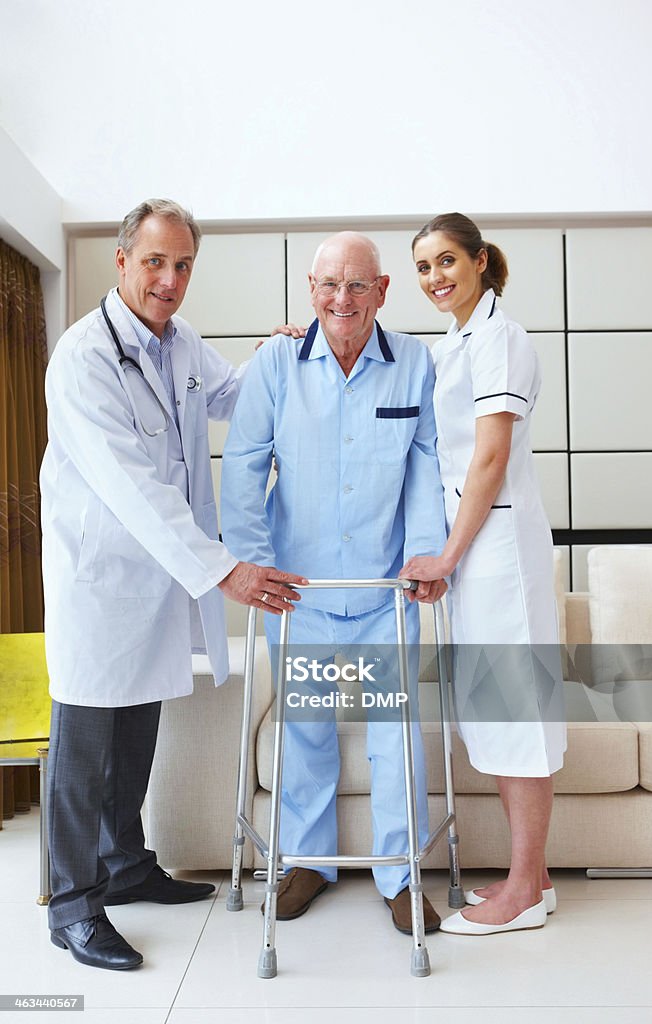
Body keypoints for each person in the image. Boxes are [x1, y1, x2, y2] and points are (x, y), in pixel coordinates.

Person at [40, 198, 306, 971]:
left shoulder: (180, 342)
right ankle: (72, 907)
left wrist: (278, 352)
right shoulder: (84, 357)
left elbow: (230, 397)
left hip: (156, 581)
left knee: (136, 735)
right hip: (103, 581)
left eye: (182, 264)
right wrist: (222, 566)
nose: (169, 278)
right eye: (154, 261)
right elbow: (129, 485)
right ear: (122, 260)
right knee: (84, 750)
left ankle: (126, 868)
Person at [221, 232, 447, 934]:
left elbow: (426, 467)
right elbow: (243, 465)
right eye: (327, 285)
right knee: (305, 734)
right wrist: (252, 563)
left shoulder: (414, 364)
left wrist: (424, 554)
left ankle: (402, 877)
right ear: (309, 290)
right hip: (302, 592)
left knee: (394, 738)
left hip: (385, 595)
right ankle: (306, 864)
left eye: (357, 286)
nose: (340, 300)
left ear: (382, 291)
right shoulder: (275, 366)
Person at [400, 212, 567, 935]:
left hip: (495, 548)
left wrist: (444, 555)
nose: (434, 277)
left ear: (476, 260)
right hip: (478, 551)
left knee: (515, 713)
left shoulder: (498, 336)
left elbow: (489, 459)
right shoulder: (458, 339)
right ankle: (535, 877)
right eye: (422, 267)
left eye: (445, 261)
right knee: (496, 714)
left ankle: (524, 890)